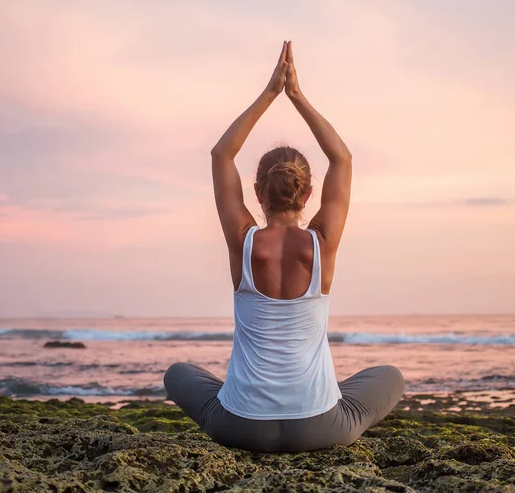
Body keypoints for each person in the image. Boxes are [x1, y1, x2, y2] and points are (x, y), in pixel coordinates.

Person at [164, 41, 405, 452]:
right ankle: (310, 400)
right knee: (391, 376)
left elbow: (222, 154)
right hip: (322, 428)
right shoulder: (322, 244)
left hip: (241, 428)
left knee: (176, 372)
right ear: (307, 193)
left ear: (257, 192)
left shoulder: (242, 240)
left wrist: (270, 93)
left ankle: (253, 399)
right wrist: (297, 95)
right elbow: (342, 159)